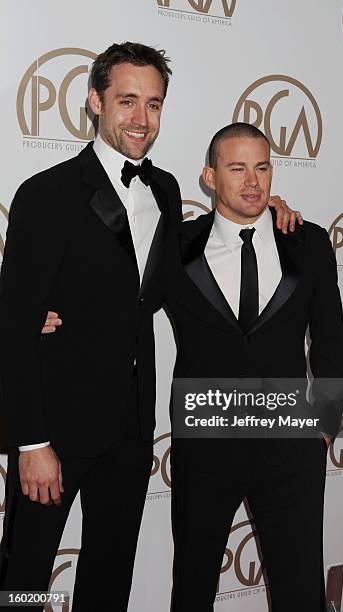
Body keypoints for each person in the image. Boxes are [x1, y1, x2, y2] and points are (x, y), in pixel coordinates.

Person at [0, 42, 300, 610]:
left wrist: (266, 211)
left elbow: (200, 252)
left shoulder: (163, 190)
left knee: (111, 573)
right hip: (55, 430)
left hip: (132, 428)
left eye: (154, 104)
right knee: (24, 575)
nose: (142, 119)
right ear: (95, 101)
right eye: (127, 101)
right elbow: (15, 327)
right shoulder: (46, 194)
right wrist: (32, 441)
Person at [162, 123, 343, 611]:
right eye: (237, 168)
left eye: (262, 167)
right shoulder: (174, 248)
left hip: (290, 452)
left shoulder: (308, 243)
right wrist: (50, 315)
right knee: (193, 588)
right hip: (204, 449)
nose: (252, 182)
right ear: (209, 176)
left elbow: (330, 341)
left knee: (300, 590)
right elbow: (119, 307)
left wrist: (325, 425)